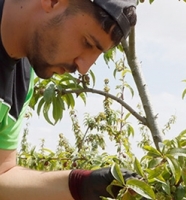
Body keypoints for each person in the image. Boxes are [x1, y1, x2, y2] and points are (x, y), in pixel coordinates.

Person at [0, 0, 137, 199]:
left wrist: (80, 183)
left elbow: (3, 174)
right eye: (88, 42)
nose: (83, 68)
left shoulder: (22, 81)